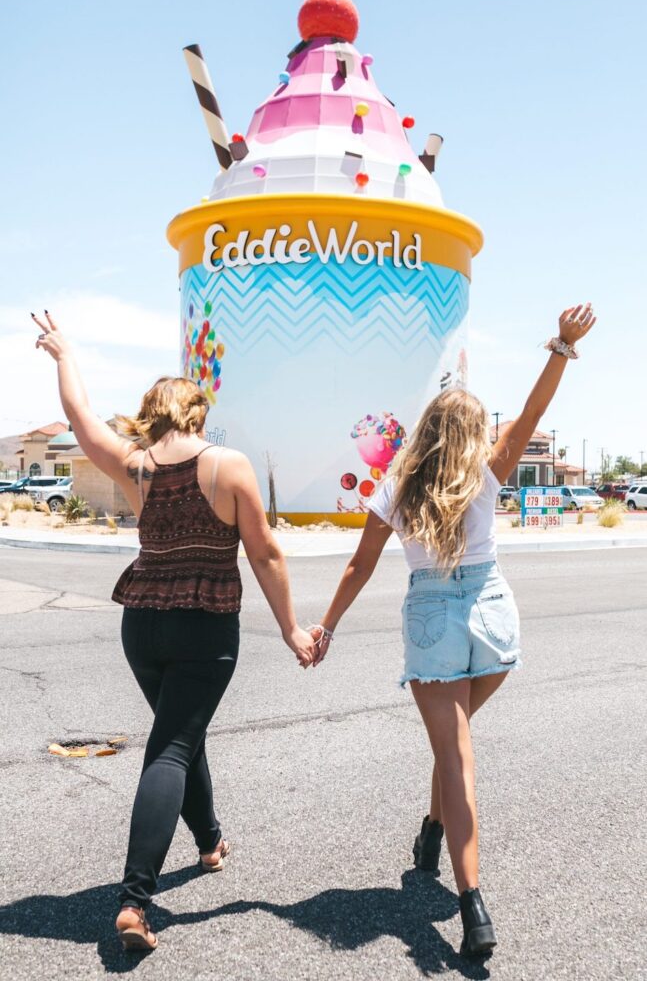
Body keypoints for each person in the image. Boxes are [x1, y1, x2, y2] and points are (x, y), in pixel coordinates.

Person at [309, 304, 596, 957]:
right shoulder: (488, 469)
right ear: (469, 432)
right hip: (491, 612)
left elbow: (358, 565)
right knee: (457, 748)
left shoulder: (394, 486)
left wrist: (326, 625)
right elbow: (532, 412)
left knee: (455, 752)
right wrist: (560, 344)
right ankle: (442, 850)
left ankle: (468, 898)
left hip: (435, 617)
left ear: (426, 429)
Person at [31, 310, 317, 952]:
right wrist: (293, 629)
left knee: (180, 734)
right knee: (171, 748)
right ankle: (134, 902)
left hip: (142, 626)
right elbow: (265, 553)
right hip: (204, 629)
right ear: (195, 413)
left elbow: (78, 418)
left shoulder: (134, 465)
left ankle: (210, 839)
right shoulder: (229, 465)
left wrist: (64, 355)